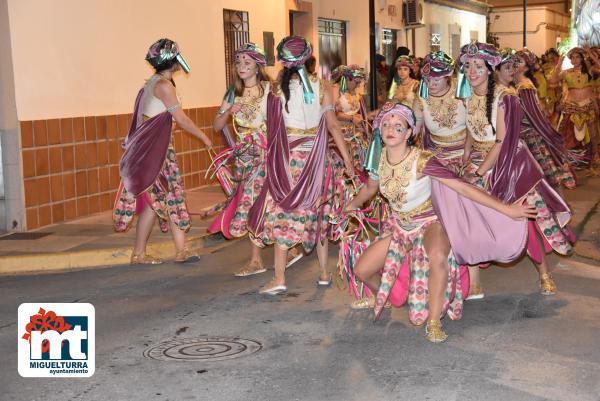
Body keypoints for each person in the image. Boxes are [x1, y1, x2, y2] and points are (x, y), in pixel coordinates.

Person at [346, 102, 536, 342]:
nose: (390, 129)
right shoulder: (379, 159)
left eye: (398, 125)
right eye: (385, 125)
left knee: (437, 256)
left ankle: (434, 322)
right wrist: (349, 206)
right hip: (399, 227)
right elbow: (370, 188)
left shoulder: (422, 160)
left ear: (409, 132)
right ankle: (381, 297)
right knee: (362, 270)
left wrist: (507, 210)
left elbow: (462, 188)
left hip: (428, 222)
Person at [459, 42, 574, 297]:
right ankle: (475, 279)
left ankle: (544, 273)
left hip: (509, 164)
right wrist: (466, 153)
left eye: (478, 66)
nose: (472, 71)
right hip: (479, 161)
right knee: (472, 220)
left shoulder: (504, 96)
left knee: (525, 220)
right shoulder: (468, 96)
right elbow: (471, 127)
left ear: (490, 68)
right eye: (468, 66)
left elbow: (501, 141)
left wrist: (479, 174)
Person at [247, 36, 353, 295]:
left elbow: (270, 129)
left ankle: (280, 277)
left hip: (289, 161)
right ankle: (325, 273)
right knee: (318, 212)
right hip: (317, 161)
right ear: (307, 59)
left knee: (285, 211)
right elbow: (333, 126)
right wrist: (348, 162)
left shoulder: (274, 90)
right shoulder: (323, 86)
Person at [113, 38, 212, 264]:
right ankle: (146, 253)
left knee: (166, 199)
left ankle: (176, 251)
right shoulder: (164, 86)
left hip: (156, 150)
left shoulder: (153, 82)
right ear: (173, 61)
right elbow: (181, 119)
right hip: (156, 153)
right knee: (166, 198)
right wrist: (204, 137)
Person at [211, 43, 271, 277]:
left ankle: (269, 252)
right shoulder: (232, 92)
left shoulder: (269, 89)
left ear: (258, 66)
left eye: (247, 62)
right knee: (250, 201)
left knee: (264, 200)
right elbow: (216, 126)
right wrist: (229, 112)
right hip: (245, 156)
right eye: (238, 63)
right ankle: (257, 259)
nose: (242, 67)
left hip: (267, 152)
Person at [514, 48, 577, 190]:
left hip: (529, 133)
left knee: (540, 170)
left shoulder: (525, 86)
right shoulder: (517, 84)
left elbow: (533, 114)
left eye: (519, 60)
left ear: (526, 67)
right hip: (522, 131)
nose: (514, 63)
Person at [414, 51, 465, 169]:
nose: (430, 84)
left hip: (467, 155)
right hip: (437, 159)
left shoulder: (462, 88)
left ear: (448, 77)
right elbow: (414, 128)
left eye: (436, 80)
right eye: (427, 80)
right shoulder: (421, 96)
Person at [552, 47, 600, 173]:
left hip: (587, 105)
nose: (574, 59)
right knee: (566, 134)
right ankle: (569, 161)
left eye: (577, 56)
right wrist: (559, 64)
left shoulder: (589, 70)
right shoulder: (567, 72)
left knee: (592, 135)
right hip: (571, 105)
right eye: (572, 57)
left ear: (582, 58)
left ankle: (593, 161)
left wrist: (591, 54)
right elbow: (553, 80)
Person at [331, 65, 369, 173]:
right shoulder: (335, 89)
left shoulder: (355, 93)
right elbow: (333, 113)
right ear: (347, 78)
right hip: (340, 134)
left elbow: (358, 111)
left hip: (355, 134)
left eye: (359, 83)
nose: (357, 86)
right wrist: (351, 118)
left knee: (359, 164)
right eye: (356, 82)